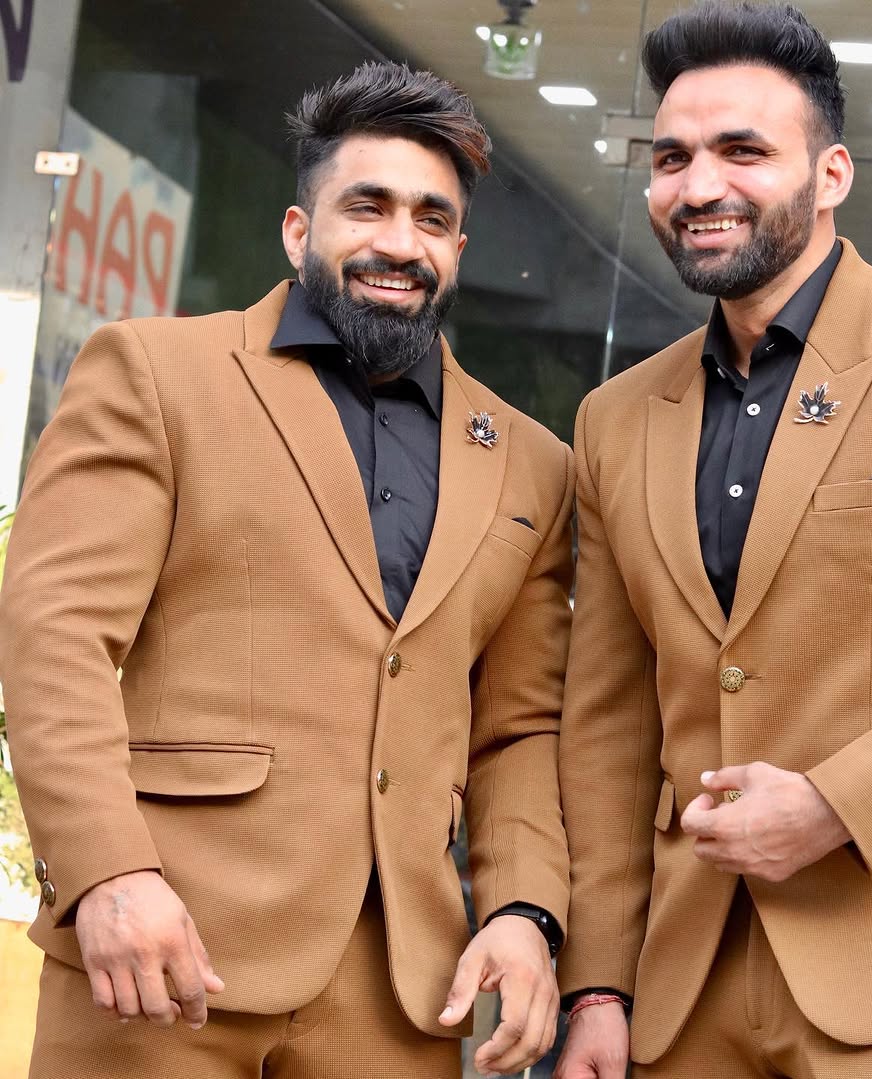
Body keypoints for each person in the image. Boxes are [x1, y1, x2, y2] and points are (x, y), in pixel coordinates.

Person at [0, 62, 573, 1078]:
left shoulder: (533, 461)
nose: (400, 242)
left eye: (432, 219)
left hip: (400, 991)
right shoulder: (155, 372)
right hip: (163, 950)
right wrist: (105, 872)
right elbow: (57, 635)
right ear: (299, 230)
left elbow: (518, 726)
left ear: (458, 250)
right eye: (368, 206)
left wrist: (525, 909)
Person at [553, 4, 872, 1078]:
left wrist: (839, 804)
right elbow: (609, 723)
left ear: (831, 173)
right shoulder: (615, 417)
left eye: (743, 150)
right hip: (681, 984)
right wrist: (597, 983)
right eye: (672, 158)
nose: (699, 185)